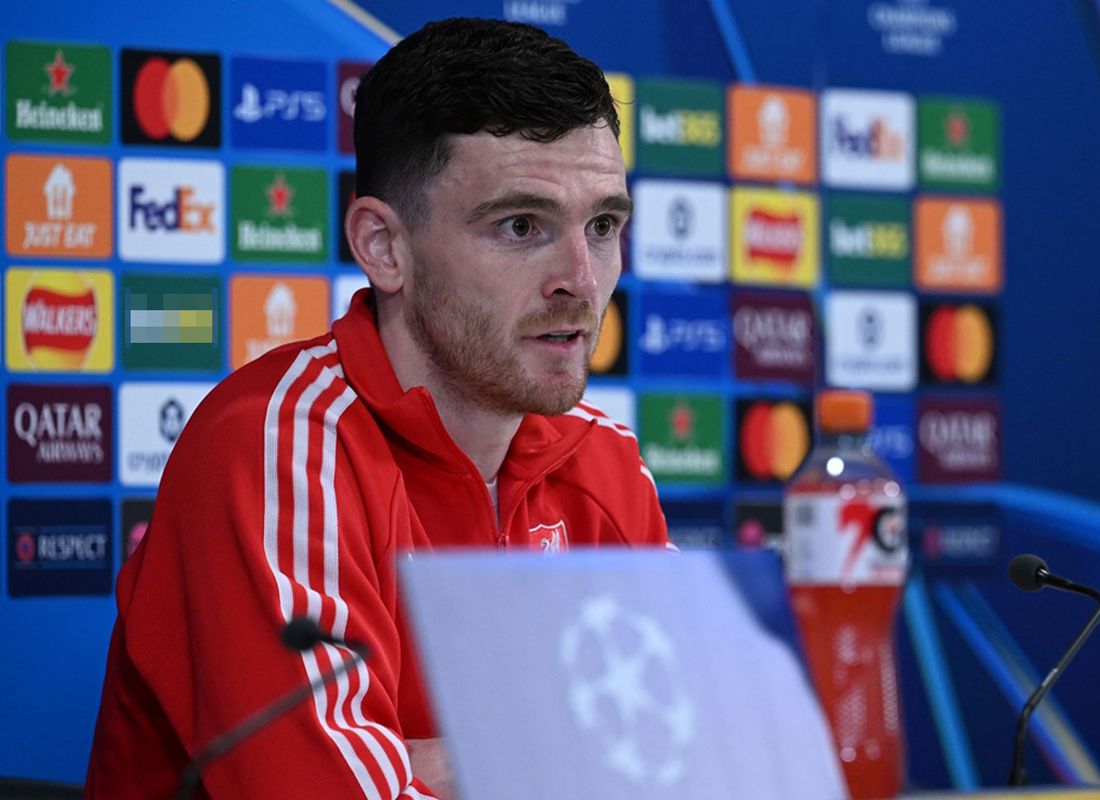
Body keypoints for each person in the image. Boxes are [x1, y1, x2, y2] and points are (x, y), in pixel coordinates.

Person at [85, 18, 671, 800]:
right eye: (521, 226)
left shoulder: (607, 463)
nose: (583, 279)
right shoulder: (275, 453)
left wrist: (447, 765)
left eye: (602, 225)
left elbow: (696, 759)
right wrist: (558, 755)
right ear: (384, 248)